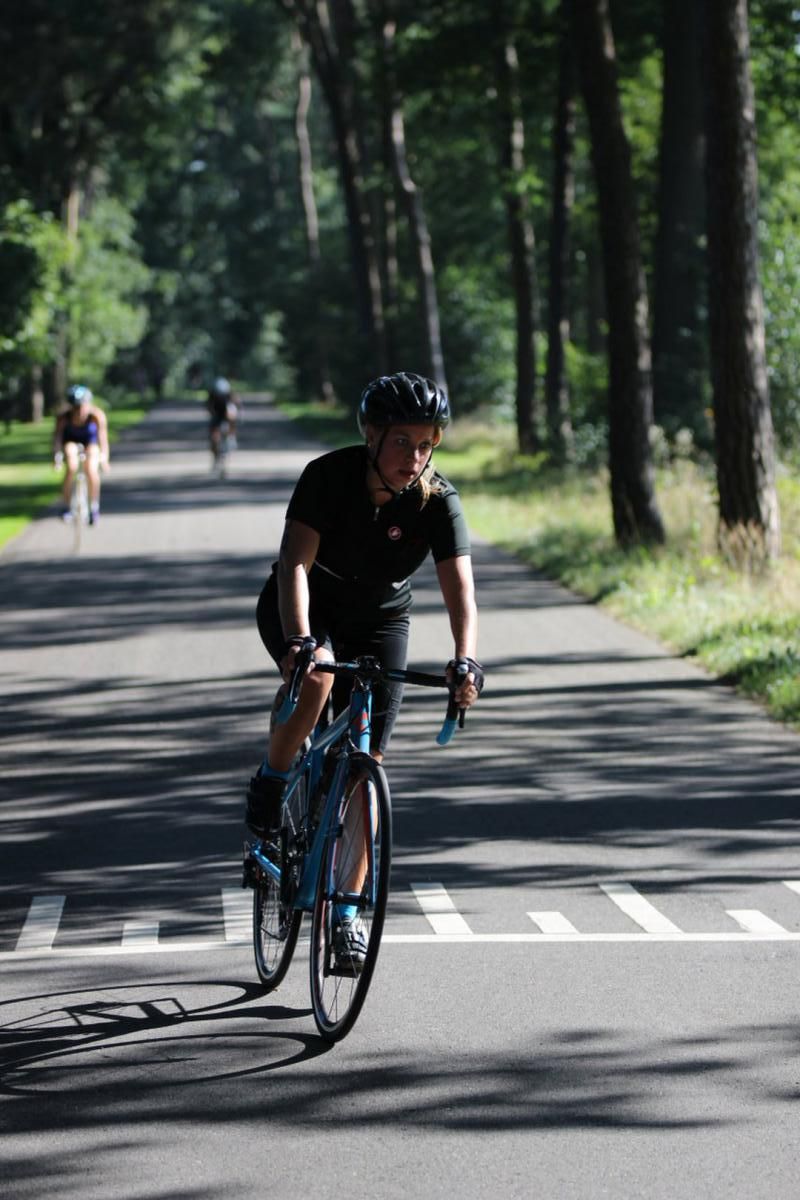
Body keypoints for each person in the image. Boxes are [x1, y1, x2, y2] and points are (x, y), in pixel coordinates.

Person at [246, 371, 484, 962]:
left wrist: (466, 660)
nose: (416, 457)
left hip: (381, 617)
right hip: (306, 603)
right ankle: (274, 780)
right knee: (321, 676)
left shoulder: (437, 499)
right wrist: (301, 641)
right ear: (372, 434)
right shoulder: (327, 477)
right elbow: (294, 565)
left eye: (428, 443)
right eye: (403, 441)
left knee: (365, 770)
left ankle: (347, 916)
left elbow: (461, 592)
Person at [52, 385, 110, 524]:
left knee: (91, 469)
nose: (79, 411)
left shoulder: (97, 416)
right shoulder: (63, 417)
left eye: (82, 406)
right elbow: (57, 439)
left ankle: (93, 507)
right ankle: (66, 507)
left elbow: (103, 439)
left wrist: (104, 459)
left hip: (91, 442)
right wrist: (57, 457)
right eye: (75, 407)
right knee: (71, 467)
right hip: (70, 441)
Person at [206, 377, 240, 459]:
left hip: (226, 414)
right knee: (213, 433)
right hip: (217, 415)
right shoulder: (212, 395)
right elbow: (208, 406)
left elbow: (236, 407)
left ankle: (231, 437)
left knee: (232, 419)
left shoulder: (230, 395)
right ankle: (214, 451)